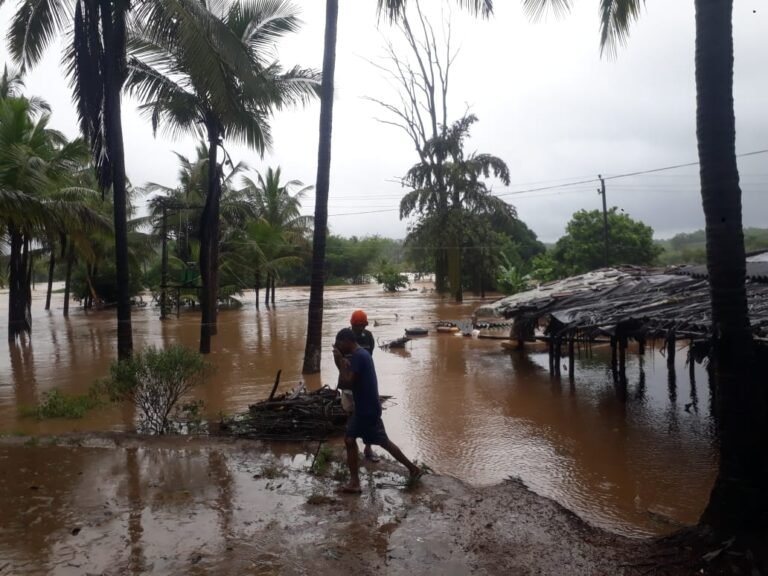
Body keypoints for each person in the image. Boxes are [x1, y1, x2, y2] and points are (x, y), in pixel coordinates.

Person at [333, 328, 422, 493]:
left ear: (346, 341)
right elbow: (351, 377)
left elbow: (348, 382)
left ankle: (356, 482)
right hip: (366, 407)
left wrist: (339, 362)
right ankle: (412, 469)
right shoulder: (361, 355)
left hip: (366, 409)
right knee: (354, 440)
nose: (338, 347)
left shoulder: (359, 356)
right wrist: (343, 362)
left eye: (339, 344)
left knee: (370, 441)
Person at [348, 309, 377, 461]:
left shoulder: (369, 336)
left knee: (367, 415)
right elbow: (339, 359)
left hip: (364, 383)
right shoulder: (346, 337)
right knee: (350, 413)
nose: (360, 329)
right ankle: (352, 446)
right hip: (349, 382)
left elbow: (369, 356)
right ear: (351, 324)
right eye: (357, 326)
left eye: (362, 326)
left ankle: (368, 446)